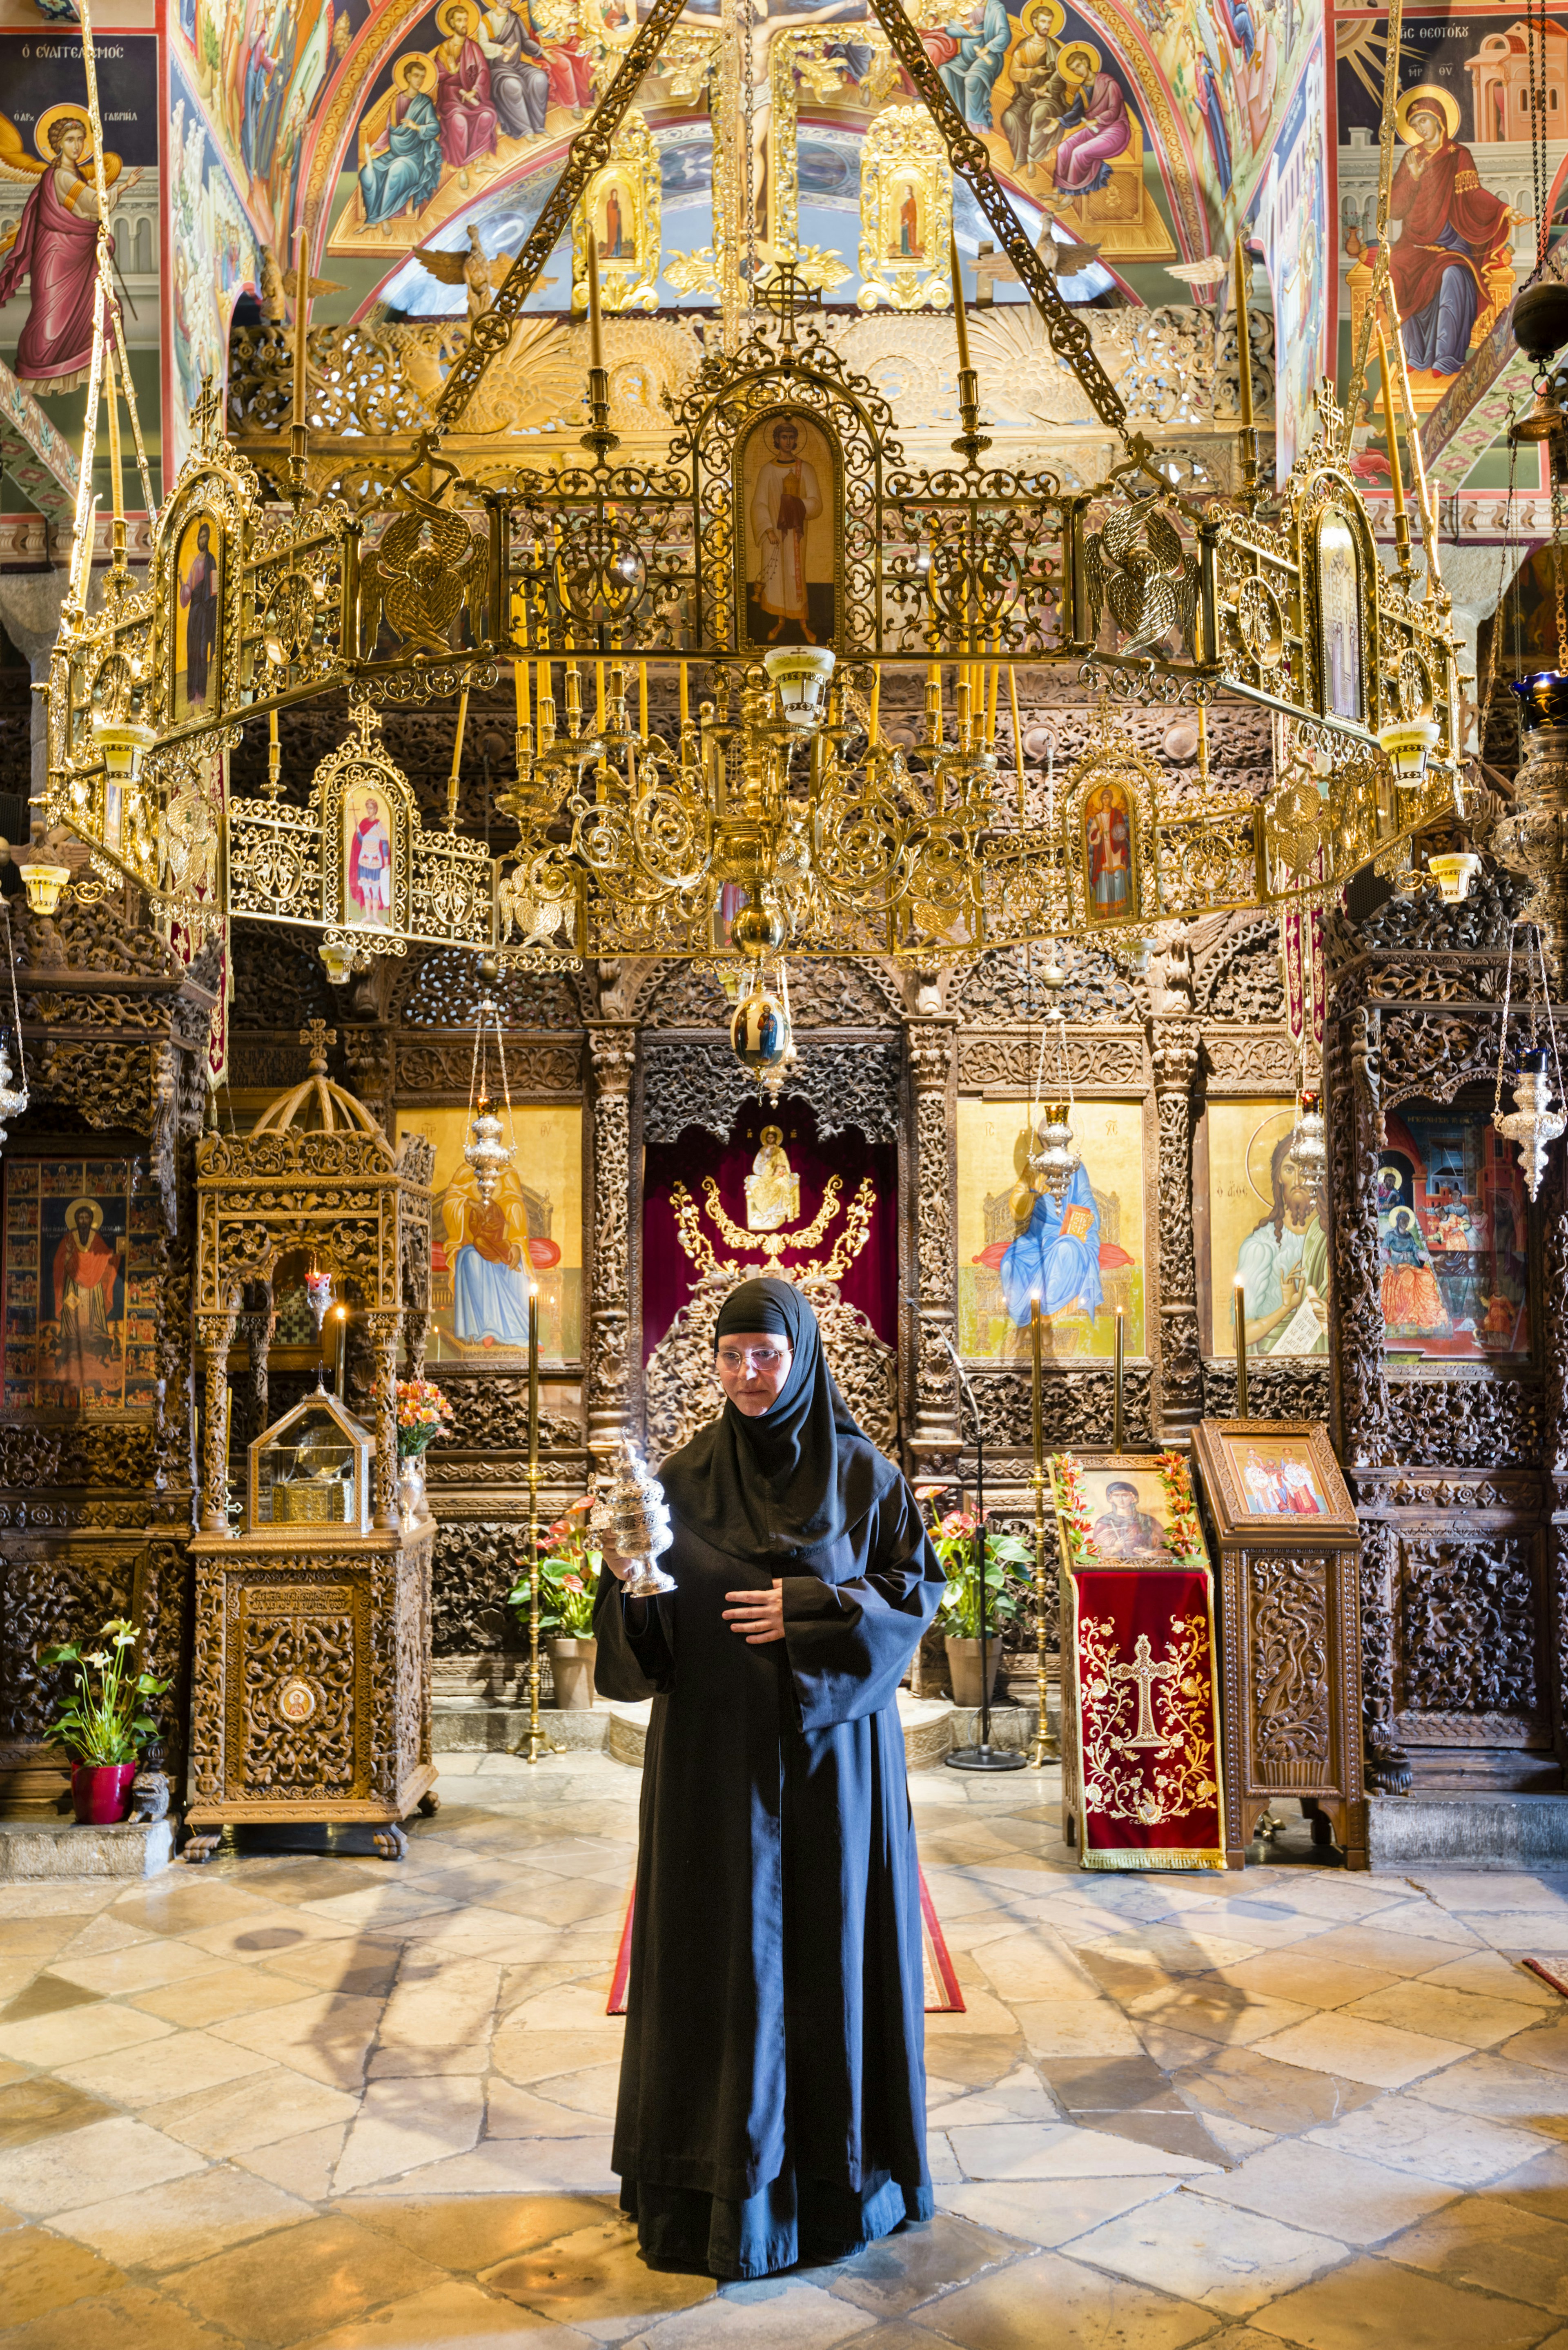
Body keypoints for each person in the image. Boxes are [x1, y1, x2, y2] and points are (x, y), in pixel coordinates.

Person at [594, 1275, 943, 2280]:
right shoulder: (679, 1479)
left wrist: (811, 1608)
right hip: (714, 1771)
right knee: (723, 1968)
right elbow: (647, 1639)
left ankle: (842, 2187)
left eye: (767, 1356)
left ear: (801, 1359)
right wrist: (627, 1586)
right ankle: (712, 2189)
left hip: (833, 1771)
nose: (749, 1375)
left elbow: (911, 1599)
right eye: (732, 1357)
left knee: (830, 1959)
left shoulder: (861, 1478)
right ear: (712, 1365)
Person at [0, 116, 139, 397]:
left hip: (81, 257)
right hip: (56, 258)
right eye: (70, 140)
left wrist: (95, 227)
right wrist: (123, 187)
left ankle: (109, 383)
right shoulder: (60, 177)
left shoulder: (73, 176)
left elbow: (87, 214)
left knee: (107, 311)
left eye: (80, 139)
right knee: (49, 329)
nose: (77, 146)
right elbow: (93, 204)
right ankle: (27, 384)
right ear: (57, 145)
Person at [1235, 1134, 1328, 1357]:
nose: (1298, 1180)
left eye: (1306, 1170)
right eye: (1289, 1169)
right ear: (1279, 1177)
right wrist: (1288, 1306)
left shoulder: (1332, 1237)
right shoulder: (1260, 1247)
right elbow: (1241, 1336)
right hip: (1272, 1366)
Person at [750, 418, 823, 644]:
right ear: (776, 441)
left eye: (792, 437)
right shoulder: (767, 470)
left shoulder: (806, 469)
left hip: (795, 534)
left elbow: (817, 504)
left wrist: (796, 505)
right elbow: (759, 504)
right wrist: (769, 530)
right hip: (774, 535)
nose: (788, 442)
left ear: (796, 441)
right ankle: (780, 621)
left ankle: (803, 624)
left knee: (794, 575)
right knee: (776, 577)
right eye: (784, 437)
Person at [359, 58, 444, 229]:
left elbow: (435, 128)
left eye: (423, 76)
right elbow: (390, 130)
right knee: (367, 172)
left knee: (397, 169)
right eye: (416, 76)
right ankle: (373, 218)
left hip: (415, 158)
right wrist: (375, 148)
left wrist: (417, 127)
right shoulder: (396, 101)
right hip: (395, 153)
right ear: (407, 77)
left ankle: (381, 217)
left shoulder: (424, 102)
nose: (419, 80)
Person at [50, 1199, 125, 1393]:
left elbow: (103, 1256)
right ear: (76, 1219)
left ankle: (94, 1336)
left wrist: (115, 1254)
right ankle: (72, 1337)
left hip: (93, 1290)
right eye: (81, 1217)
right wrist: (67, 1257)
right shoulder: (69, 1238)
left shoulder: (95, 1238)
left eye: (86, 1217)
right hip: (73, 1286)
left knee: (94, 1308)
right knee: (72, 1309)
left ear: (91, 1220)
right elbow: (59, 1262)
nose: (83, 1220)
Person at [435, 2, 499, 180]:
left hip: (471, 95)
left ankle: (478, 162)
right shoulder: (445, 48)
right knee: (458, 121)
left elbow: (484, 71)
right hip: (451, 95)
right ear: (452, 23)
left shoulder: (473, 47)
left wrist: (476, 91)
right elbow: (437, 75)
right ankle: (462, 169)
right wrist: (451, 72)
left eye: (466, 20)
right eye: (460, 20)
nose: (464, 24)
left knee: (487, 116)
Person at [479, 3, 550, 137]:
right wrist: (502, 50)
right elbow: (483, 45)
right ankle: (526, 130)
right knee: (512, 85)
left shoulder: (515, 18)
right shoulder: (486, 21)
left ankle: (539, 127)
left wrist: (542, 51)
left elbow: (525, 41)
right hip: (498, 69)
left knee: (539, 77)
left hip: (517, 66)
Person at [178, 523, 220, 711]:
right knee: (193, 651)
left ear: (209, 539)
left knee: (202, 652)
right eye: (200, 537)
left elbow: (215, 588)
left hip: (205, 611)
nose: (202, 540)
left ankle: (202, 697)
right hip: (194, 612)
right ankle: (192, 698)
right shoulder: (196, 561)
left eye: (205, 537)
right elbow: (188, 591)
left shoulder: (211, 560)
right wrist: (181, 581)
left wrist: (209, 607)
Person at [1091, 1480, 1167, 1557]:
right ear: (1111, 1498)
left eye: (1125, 1496)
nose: (1121, 1500)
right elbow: (1094, 1553)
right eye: (1116, 1496)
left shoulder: (1148, 1521)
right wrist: (1114, 1549)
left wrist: (1154, 1553)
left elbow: (1172, 1552)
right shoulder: (1104, 1522)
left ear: (1133, 1498)